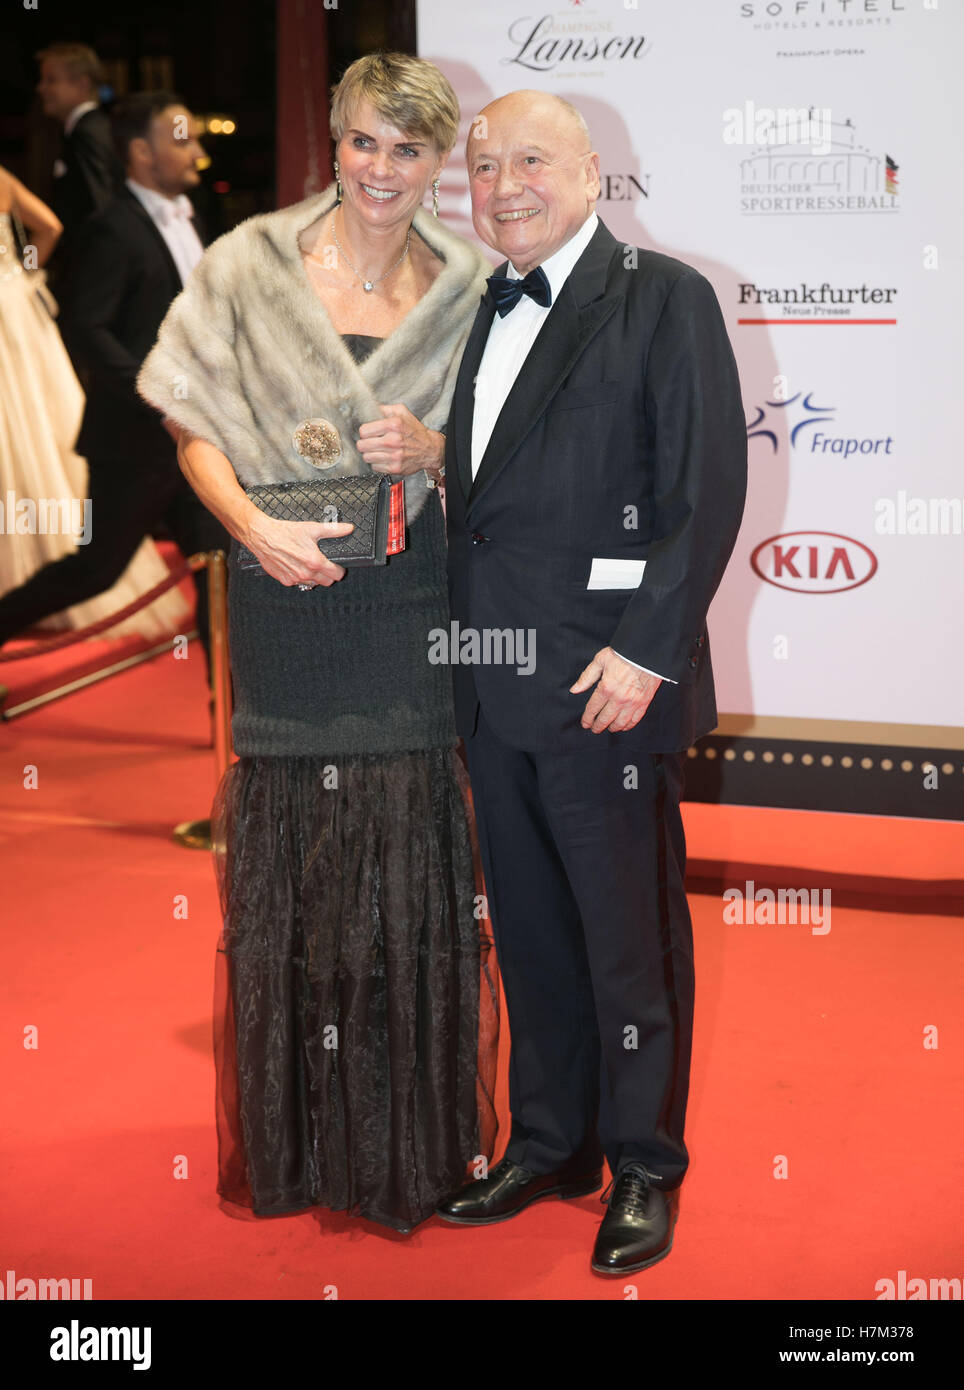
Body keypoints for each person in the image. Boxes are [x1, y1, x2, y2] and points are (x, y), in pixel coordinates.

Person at [136, 53, 499, 1233]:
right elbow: (189, 419)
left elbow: (519, 453)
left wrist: (436, 451)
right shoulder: (248, 263)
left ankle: (406, 1143)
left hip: (410, 608)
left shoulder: (473, 285)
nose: (381, 170)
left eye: (407, 149)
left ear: (437, 162)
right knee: (299, 863)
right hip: (283, 598)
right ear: (331, 142)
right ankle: (300, 1142)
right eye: (362, 142)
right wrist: (248, 531)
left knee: (403, 849)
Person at [435, 91, 747, 1274]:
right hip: (492, 679)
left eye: (530, 158)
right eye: (484, 163)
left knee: (628, 939)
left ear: (592, 172)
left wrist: (648, 645)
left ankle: (643, 1163)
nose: (503, 181)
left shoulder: (663, 297)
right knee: (529, 931)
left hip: (606, 681)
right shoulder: (485, 301)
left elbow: (700, 490)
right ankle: (550, 1142)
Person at [0, 94, 229, 678]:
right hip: (133, 443)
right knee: (95, 570)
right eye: (182, 139)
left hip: (195, 434)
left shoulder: (191, 215)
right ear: (139, 152)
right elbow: (84, 328)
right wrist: (159, 393)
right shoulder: (111, 228)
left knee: (216, 562)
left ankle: (228, 707)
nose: (197, 151)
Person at [0, 163, 189, 644]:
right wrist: (17, 275)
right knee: (31, 425)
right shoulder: (6, 179)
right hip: (16, 317)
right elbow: (50, 227)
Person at [35, 42, 122, 287]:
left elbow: (99, 205)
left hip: (94, 273)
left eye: (51, 80)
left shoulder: (87, 134)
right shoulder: (93, 129)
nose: (41, 88)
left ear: (82, 84)